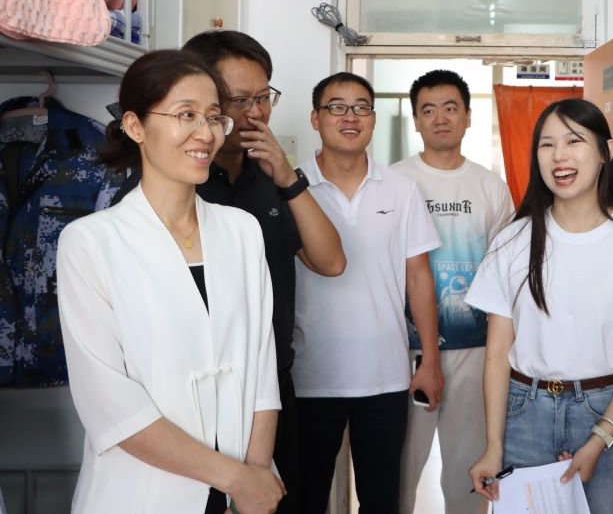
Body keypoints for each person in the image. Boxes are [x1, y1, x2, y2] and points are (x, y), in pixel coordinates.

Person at [110, 31, 347, 513]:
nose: (254, 113)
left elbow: (331, 261)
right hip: (187, 407)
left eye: (264, 98)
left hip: (272, 392)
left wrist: (286, 176)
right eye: (238, 101)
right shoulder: (158, 196)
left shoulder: (270, 179)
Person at [56, 50, 285, 514]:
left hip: (242, 493)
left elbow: (263, 372)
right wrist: (236, 478)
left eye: (214, 117)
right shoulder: (91, 243)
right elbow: (112, 407)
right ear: (135, 126)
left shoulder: (242, 231)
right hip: (141, 494)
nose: (206, 133)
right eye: (186, 115)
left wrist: (252, 483)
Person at [466, 98, 613, 514]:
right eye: (547, 145)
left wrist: (599, 438)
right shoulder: (512, 241)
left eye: (574, 141)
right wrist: (493, 445)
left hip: (604, 411)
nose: (559, 155)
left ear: (605, 152)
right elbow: (497, 353)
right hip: (525, 413)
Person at [294, 72, 445, 514]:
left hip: (384, 375)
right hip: (307, 375)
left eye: (361, 107)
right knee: (304, 500)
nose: (350, 117)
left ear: (373, 119)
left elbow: (418, 276)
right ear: (315, 118)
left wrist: (430, 361)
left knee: (381, 501)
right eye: (336, 107)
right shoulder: (290, 186)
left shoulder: (400, 188)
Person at [394, 70, 515, 514]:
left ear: (467, 116)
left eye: (450, 108)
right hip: (404, 348)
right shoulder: (394, 181)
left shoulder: (490, 186)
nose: (440, 118)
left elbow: (506, 272)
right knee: (399, 468)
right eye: (428, 110)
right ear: (416, 120)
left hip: (476, 348)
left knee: (467, 470)